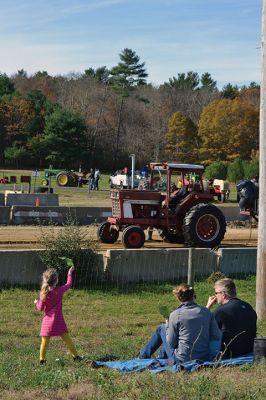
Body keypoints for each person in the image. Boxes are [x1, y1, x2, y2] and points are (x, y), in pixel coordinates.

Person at [138, 284, 221, 364]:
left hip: (181, 359)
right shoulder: (207, 312)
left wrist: (168, 325)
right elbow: (216, 335)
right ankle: (161, 357)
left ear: (178, 298)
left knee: (162, 328)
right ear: (193, 296)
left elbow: (171, 343)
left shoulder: (175, 315)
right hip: (203, 357)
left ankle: (142, 357)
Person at [34, 267, 82, 366]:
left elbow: (40, 308)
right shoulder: (59, 290)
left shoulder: (43, 293)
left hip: (47, 324)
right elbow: (68, 285)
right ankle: (76, 357)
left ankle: (42, 361)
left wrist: (36, 302)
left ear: (44, 279)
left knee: (44, 343)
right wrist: (69, 273)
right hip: (59, 322)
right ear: (56, 280)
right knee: (68, 341)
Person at [206, 278, 257, 358]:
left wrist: (207, 307)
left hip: (229, 353)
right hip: (249, 350)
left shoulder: (221, 311)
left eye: (216, 293)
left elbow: (205, 328)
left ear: (223, 294)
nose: (215, 296)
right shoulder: (248, 306)